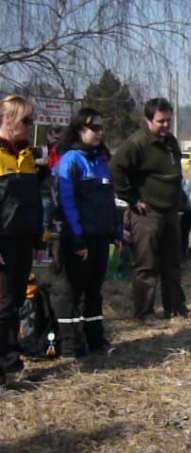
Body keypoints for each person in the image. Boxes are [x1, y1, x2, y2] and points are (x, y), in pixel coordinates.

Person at [110, 98, 191, 322]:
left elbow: (174, 173)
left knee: (172, 264)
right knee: (147, 265)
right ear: (148, 120)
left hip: (170, 211)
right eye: (160, 121)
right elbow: (116, 168)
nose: (165, 125)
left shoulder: (171, 142)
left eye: (168, 121)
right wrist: (131, 198)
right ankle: (144, 312)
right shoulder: (136, 144)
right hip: (147, 214)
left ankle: (175, 308)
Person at [53, 108, 119, 357]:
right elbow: (67, 202)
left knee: (94, 290)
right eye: (95, 128)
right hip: (78, 238)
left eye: (102, 128)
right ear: (80, 130)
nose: (100, 132)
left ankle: (96, 340)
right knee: (72, 291)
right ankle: (69, 345)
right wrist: (77, 237)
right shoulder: (70, 160)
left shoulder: (101, 159)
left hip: (101, 236)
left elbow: (109, 198)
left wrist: (115, 229)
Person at [0, 95, 43, 384]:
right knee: (2, 305)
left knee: (15, 301)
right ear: (7, 119)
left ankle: (12, 362)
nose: (30, 126)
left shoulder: (27, 156)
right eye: (25, 120)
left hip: (23, 240)